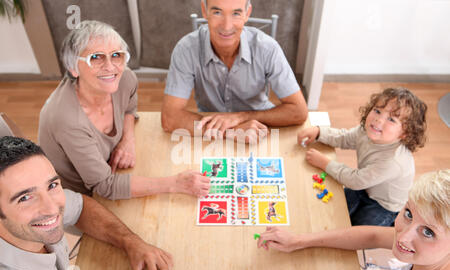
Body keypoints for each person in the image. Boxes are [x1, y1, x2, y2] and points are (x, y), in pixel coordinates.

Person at [38, 20, 210, 200]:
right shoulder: (66, 120)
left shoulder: (125, 79)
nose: (111, 67)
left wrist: (127, 140)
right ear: (73, 68)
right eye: (95, 57)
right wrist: (175, 183)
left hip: (112, 173)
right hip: (75, 197)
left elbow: (129, 106)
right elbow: (104, 186)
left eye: (116, 55)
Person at [0, 136, 173, 270]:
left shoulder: (33, 219)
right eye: (25, 198)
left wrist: (130, 242)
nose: (52, 208)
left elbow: (80, 207)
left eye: (52, 185)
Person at [257, 170, 450, 270]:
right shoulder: (430, 258)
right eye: (408, 214)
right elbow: (371, 236)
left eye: (428, 232)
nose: (403, 236)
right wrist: (299, 240)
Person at [161, 0, 308, 142]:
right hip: (211, 132)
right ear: (204, 11)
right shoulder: (185, 50)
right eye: (217, 12)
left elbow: (299, 111)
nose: (226, 26)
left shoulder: (268, 49)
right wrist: (233, 131)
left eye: (236, 13)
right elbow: (170, 118)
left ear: (247, 12)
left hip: (259, 128)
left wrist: (241, 117)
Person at [297, 87, 427, 226]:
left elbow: (355, 180)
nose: (378, 120)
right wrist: (319, 132)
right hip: (365, 186)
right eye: (377, 111)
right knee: (334, 211)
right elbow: (345, 137)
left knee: (354, 232)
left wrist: (325, 163)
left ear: (404, 133)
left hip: (383, 206)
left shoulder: (393, 162)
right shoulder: (366, 130)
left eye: (391, 119)